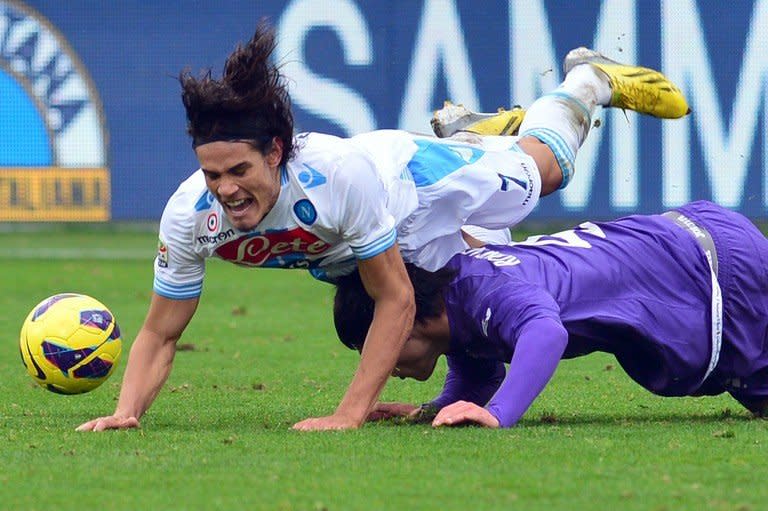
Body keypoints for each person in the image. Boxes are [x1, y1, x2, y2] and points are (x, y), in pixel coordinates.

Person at [76, 21, 689, 432]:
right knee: (480, 273)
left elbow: (395, 300)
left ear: (277, 152)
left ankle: (586, 80)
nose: (226, 189)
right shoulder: (191, 218)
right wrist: (127, 412)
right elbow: (160, 333)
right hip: (370, 231)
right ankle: (477, 134)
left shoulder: (339, 180)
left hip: (413, 184)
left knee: (545, 174)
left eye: (238, 170)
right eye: (212, 175)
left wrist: (349, 413)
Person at [334, 201, 768, 428]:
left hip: (712, 271)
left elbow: (544, 332)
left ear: (401, 319)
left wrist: (499, 414)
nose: (378, 362)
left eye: (371, 343)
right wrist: (436, 410)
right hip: (693, 244)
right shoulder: (457, 298)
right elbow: (478, 376)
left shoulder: (480, 292)